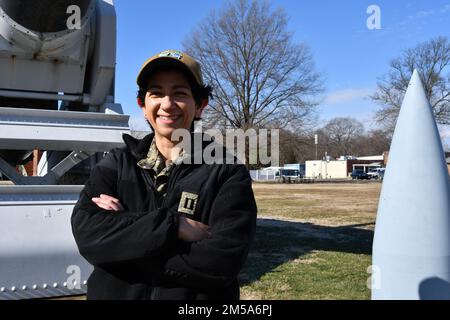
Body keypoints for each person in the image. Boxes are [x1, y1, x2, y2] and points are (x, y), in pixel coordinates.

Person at [71, 49, 257, 300]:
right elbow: (87, 235)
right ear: (143, 105)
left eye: (179, 93)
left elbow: (222, 261)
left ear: (200, 105)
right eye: (156, 93)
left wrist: (122, 242)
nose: (167, 104)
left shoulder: (227, 172)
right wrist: (175, 226)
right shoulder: (116, 163)